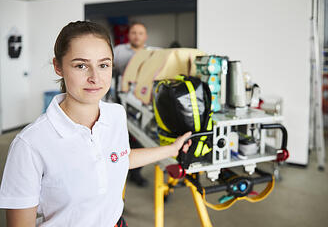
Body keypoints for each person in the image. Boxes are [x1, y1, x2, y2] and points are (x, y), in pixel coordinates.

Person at [0, 21, 191, 227]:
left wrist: (172, 149)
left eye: (103, 65)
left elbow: (119, 158)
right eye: (81, 65)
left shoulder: (116, 114)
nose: (95, 77)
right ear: (58, 67)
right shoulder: (30, 144)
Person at [112, 22, 156, 187]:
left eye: (140, 33)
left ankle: (134, 171)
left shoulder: (152, 53)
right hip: (122, 98)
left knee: (142, 135)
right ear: (129, 35)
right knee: (121, 136)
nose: (137, 36)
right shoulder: (119, 51)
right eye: (133, 32)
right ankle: (119, 170)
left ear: (145, 36)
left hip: (144, 100)